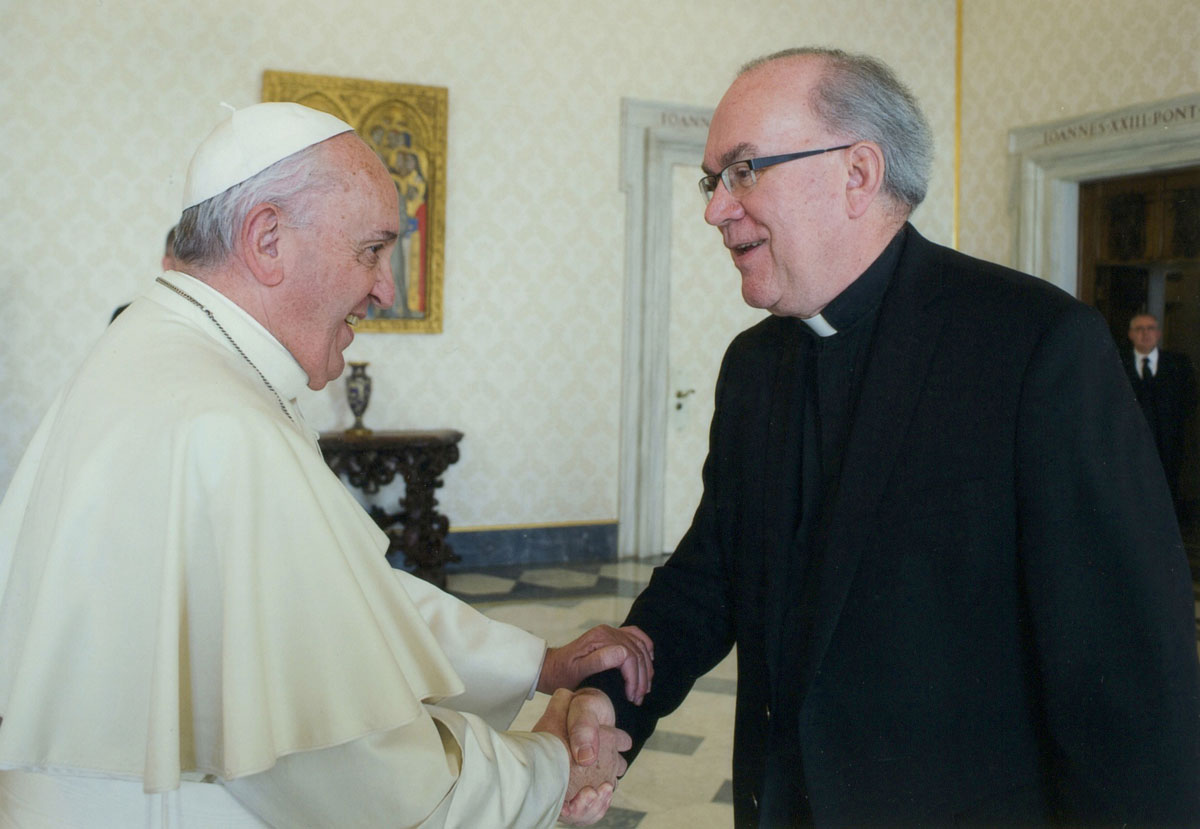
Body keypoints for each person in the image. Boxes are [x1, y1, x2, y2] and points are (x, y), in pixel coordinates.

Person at [583, 48, 1200, 826]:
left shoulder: (1035, 346)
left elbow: (1133, 686)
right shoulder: (753, 365)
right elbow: (714, 575)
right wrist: (611, 699)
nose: (715, 209)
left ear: (857, 174)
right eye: (715, 181)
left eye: (744, 171)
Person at [0, 102, 653, 827]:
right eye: (372, 250)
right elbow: (373, 782)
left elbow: (341, 599)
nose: (385, 288)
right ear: (268, 239)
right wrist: (550, 765)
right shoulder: (221, 425)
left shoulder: (164, 358)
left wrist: (536, 662)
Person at [1123, 312, 1198, 514]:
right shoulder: (1118, 365)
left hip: (1169, 446)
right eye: (1139, 329)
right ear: (1130, 334)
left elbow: (1190, 402)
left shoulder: (1178, 365)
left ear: (1158, 334)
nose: (1145, 334)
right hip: (1130, 445)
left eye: (1150, 328)